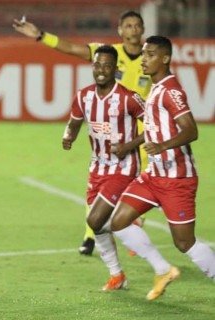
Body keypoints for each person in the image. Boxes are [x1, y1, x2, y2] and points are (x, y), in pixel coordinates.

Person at [13, 10, 150, 256]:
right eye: (128, 25)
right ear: (120, 30)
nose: (133, 30)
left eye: (137, 25)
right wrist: (40, 36)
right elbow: (71, 49)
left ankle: (131, 226)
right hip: (109, 133)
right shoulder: (108, 53)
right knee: (99, 181)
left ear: (143, 29)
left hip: (140, 135)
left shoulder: (150, 58)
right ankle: (91, 236)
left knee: (144, 185)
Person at [110, 36, 215, 300]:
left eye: (151, 55)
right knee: (119, 222)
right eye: (144, 54)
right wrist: (130, 145)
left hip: (177, 179)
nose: (144, 59)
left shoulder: (171, 91)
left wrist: (164, 146)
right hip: (153, 177)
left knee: (184, 243)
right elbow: (155, 128)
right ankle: (162, 269)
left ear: (165, 58)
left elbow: (191, 130)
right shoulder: (155, 88)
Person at [62, 45, 161, 291]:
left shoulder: (128, 97)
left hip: (124, 167)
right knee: (97, 224)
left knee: (94, 218)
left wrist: (129, 145)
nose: (101, 70)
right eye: (98, 65)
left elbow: (155, 126)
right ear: (92, 67)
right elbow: (73, 123)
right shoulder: (84, 96)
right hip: (97, 167)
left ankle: (159, 264)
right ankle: (117, 274)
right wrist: (68, 137)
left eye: (107, 66)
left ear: (115, 69)